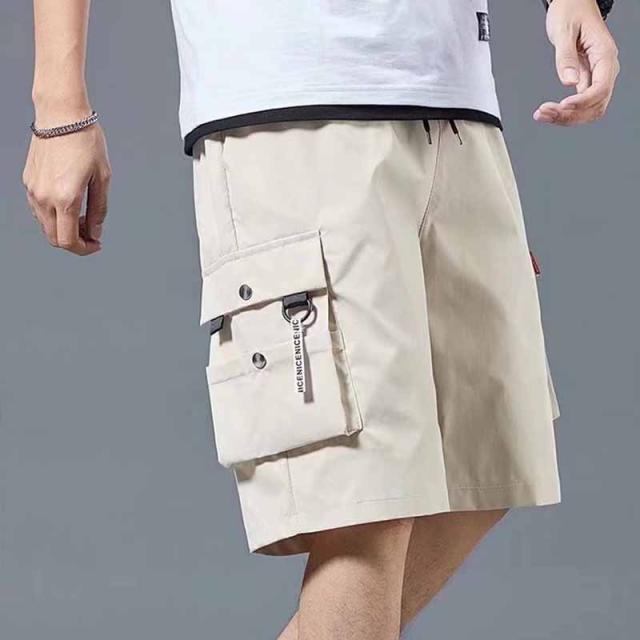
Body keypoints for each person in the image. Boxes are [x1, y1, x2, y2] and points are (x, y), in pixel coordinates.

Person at [22, 1, 619, 638]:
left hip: (455, 96)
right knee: (369, 506)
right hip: (293, 98)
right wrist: (59, 107)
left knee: (485, 473)